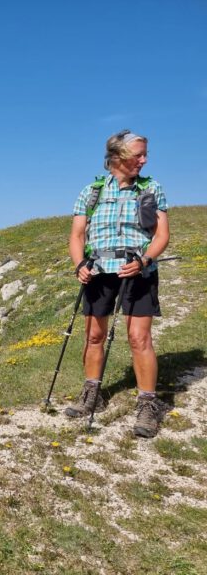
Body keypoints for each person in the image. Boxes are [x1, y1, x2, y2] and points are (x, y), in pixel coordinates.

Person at [66, 130, 170, 438]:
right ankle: (92, 392)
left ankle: (148, 403)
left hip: (138, 270)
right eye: (137, 154)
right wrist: (79, 265)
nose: (144, 160)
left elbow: (161, 235)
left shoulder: (151, 189)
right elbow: (77, 236)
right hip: (98, 270)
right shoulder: (92, 191)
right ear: (117, 157)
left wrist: (144, 260)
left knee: (139, 338)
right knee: (94, 334)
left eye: (144, 154)